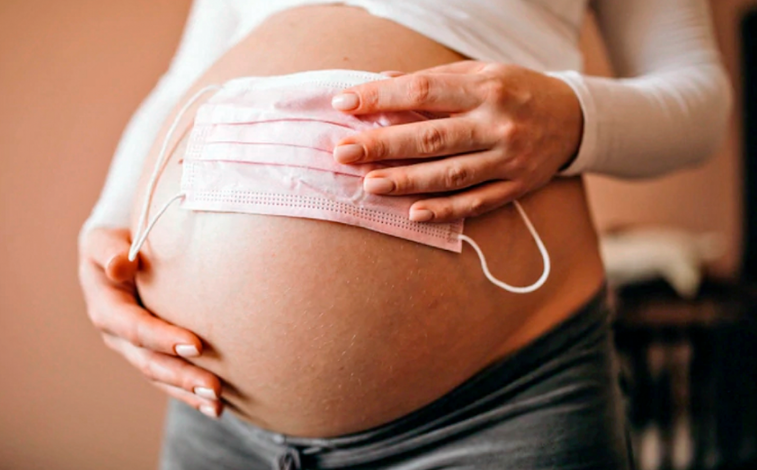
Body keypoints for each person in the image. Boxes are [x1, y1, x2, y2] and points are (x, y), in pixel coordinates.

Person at [77, 1, 731, 468]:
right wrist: (105, 225)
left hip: (489, 417)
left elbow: (699, 100)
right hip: (213, 421)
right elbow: (187, 76)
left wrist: (572, 118)